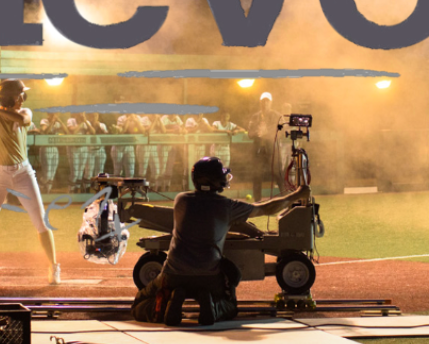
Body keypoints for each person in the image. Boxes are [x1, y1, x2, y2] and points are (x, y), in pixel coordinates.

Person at [131, 157, 309, 326]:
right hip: (209, 276)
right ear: (214, 180)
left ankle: (165, 307)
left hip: (174, 275)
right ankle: (213, 306)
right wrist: (296, 195)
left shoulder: (181, 200)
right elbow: (267, 208)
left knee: (139, 304)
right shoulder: (226, 206)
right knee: (230, 306)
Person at [0, 79, 60, 286]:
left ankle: (53, 266)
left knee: (41, 221)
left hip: (23, 172)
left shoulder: (25, 113)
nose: (23, 98)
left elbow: (18, 118)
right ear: (11, 97)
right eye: (19, 95)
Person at [247, 92, 283, 200]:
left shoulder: (277, 115)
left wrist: (266, 134)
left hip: (272, 149)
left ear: (271, 102)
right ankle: (257, 201)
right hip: (258, 150)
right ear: (260, 102)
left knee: (278, 174)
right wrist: (258, 133)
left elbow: (281, 131)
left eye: (267, 101)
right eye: (263, 101)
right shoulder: (255, 116)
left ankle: (286, 200)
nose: (265, 103)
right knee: (256, 175)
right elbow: (250, 133)